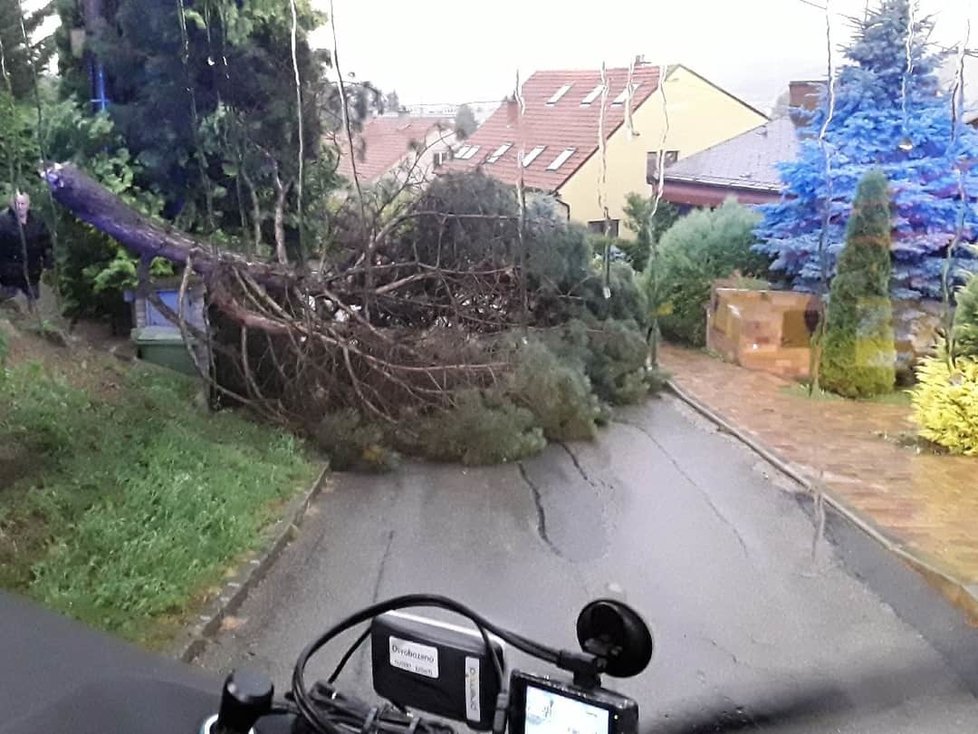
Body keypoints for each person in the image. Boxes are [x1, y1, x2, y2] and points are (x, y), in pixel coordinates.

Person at [0, 191, 53, 303]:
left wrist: (48, 262)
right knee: (9, 307)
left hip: (32, 272)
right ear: (11, 204)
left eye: (23, 203)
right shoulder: (2, 222)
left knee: (33, 304)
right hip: (8, 276)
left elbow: (46, 242)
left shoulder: (37, 221)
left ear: (28, 204)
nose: (20, 207)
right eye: (16, 203)